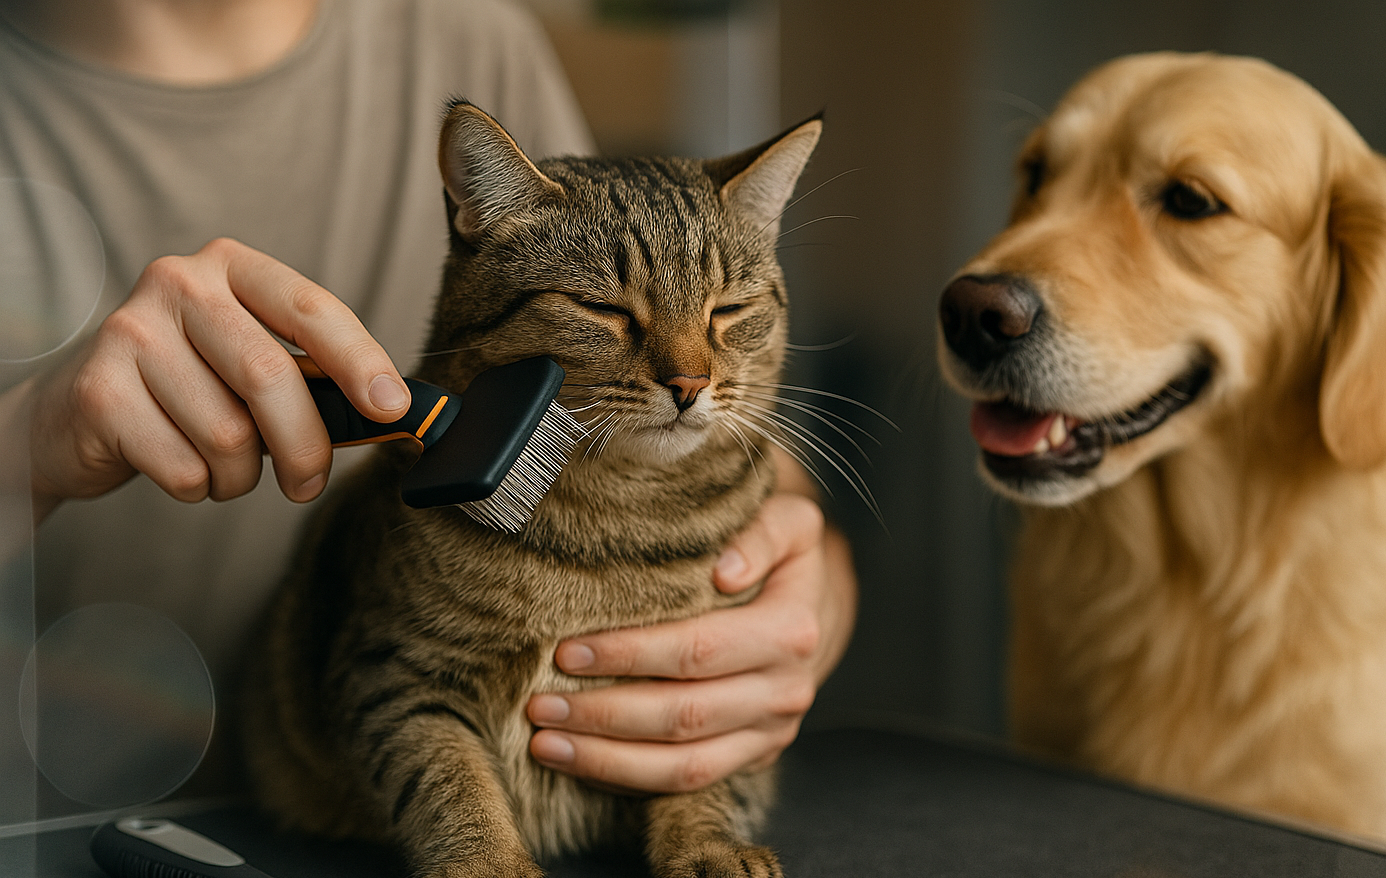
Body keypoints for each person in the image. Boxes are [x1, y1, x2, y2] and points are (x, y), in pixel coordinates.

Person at [0, 0, 856, 796]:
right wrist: (22, 449)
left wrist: (804, 599)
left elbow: (676, 432)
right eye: (606, 312)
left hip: (375, 853)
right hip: (42, 852)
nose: (684, 367)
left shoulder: (476, 36)